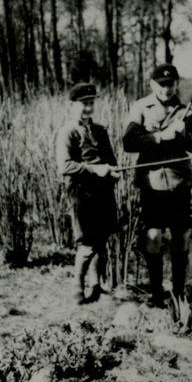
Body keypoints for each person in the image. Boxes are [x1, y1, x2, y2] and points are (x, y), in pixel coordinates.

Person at [123, 64, 192, 307]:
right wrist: (162, 136)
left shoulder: (184, 109)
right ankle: (157, 294)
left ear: (176, 84)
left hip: (180, 180)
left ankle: (179, 292)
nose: (166, 89)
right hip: (152, 181)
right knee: (154, 233)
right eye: (161, 84)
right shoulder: (140, 107)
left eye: (170, 84)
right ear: (152, 85)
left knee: (180, 233)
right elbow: (129, 142)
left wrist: (185, 128)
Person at [56, 83, 119, 305]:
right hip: (82, 193)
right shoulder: (68, 132)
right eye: (84, 104)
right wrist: (94, 169)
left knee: (102, 241)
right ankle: (77, 285)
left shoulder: (101, 130)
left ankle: (95, 286)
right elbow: (65, 166)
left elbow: (111, 161)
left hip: (103, 192)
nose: (89, 108)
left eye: (91, 103)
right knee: (88, 244)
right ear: (72, 106)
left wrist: (113, 172)